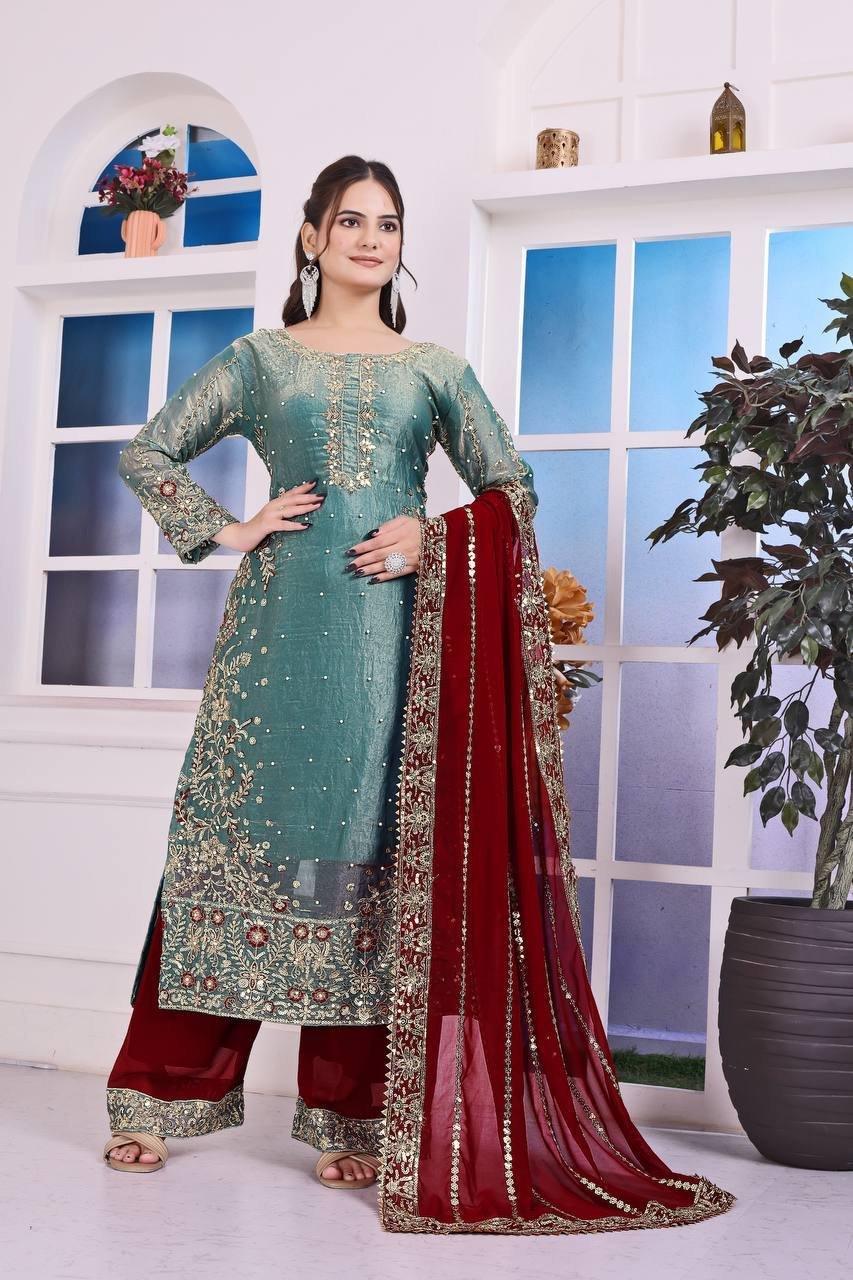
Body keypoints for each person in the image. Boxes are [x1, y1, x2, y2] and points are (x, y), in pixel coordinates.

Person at [102, 154, 737, 1233]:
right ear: (311, 237)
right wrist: (231, 528)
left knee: (362, 864)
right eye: (349, 220)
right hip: (274, 646)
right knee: (223, 847)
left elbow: (511, 487)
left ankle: (348, 1113)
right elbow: (149, 451)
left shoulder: (432, 370)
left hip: (391, 645)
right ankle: (159, 1094)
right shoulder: (259, 360)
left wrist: (430, 535)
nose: (368, 239)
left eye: (386, 224)